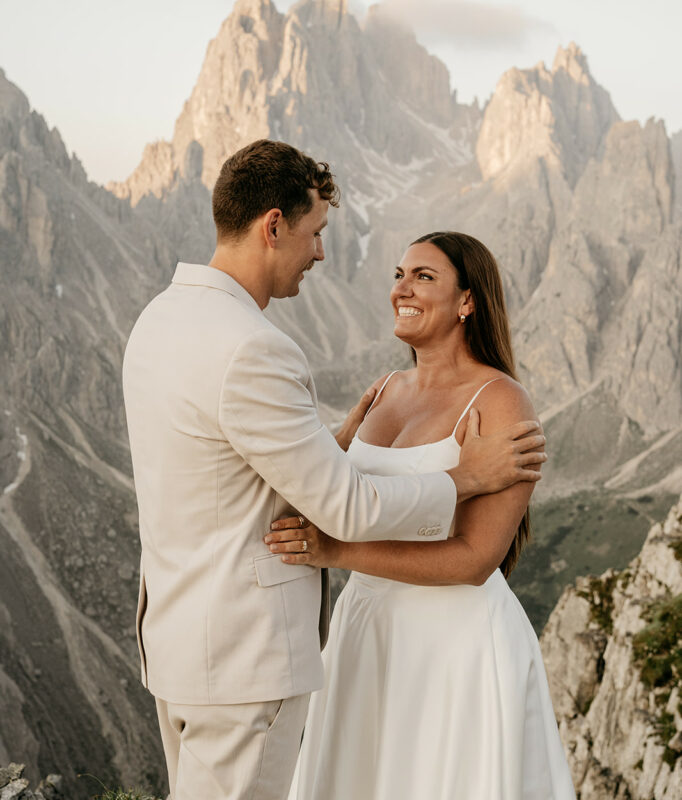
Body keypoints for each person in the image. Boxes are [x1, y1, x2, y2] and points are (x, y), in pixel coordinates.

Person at [122, 145, 548, 800]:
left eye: (420, 276)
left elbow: (227, 463)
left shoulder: (158, 319)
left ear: (469, 302)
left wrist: (329, 447)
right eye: (315, 232)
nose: (322, 253)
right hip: (248, 661)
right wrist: (465, 477)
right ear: (273, 227)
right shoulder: (255, 347)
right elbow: (343, 503)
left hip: (188, 647)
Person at [267, 230, 576, 800]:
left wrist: (336, 553)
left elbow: (476, 560)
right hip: (365, 628)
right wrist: (338, 440)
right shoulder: (385, 389)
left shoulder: (500, 400)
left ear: (467, 301)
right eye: (398, 275)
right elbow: (337, 492)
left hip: (452, 645)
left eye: (424, 277)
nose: (401, 289)